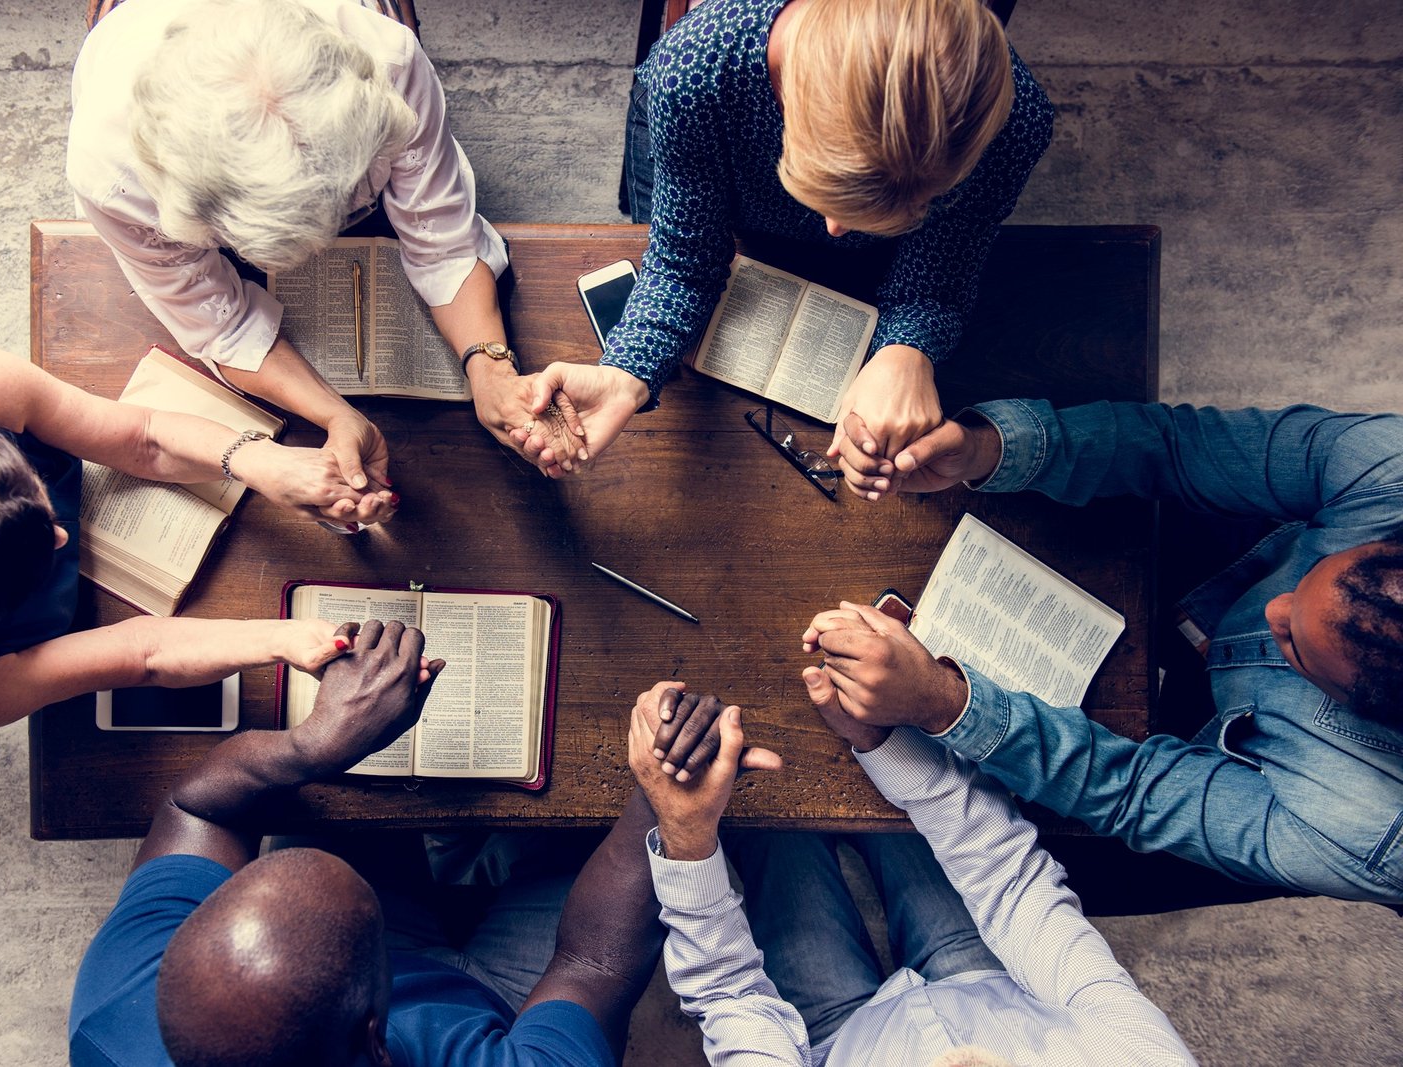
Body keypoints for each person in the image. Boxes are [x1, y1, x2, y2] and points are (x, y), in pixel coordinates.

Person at [805, 398, 1403, 904]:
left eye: (1295, 645)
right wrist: (990, 448)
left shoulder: (1364, 832)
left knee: (1054, 867)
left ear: (1359, 707)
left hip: (1256, 784)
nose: (1274, 609)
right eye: (1309, 576)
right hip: (1234, 561)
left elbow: (1133, 792)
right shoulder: (1390, 473)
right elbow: (1178, 446)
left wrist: (944, 704)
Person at [70, 619, 666, 1066]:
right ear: (378, 1039)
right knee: (588, 830)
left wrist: (314, 746)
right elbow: (592, 964)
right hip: (511, 1003)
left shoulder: (120, 1017)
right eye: (375, 932)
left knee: (337, 806)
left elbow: (194, 808)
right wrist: (666, 791)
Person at [512, 0, 1053, 484]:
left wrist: (906, 351)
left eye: (912, 204)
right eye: (826, 191)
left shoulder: (1017, 122)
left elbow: (944, 263)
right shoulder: (695, 70)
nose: (837, 232)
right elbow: (684, 258)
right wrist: (625, 373)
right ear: (788, 96)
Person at [69, 0, 569, 492]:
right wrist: (337, 415)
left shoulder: (388, 55)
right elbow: (223, 325)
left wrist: (491, 371)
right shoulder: (110, 175)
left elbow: (443, 241)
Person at [0, 344, 380, 731]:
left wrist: (259, 461)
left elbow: (143, 436)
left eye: (29, 491)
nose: (59, 534)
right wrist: (289, 639)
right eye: (28, 563)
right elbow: (142, 655)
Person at [630, 678, 1197, 1065]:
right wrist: (882, 740)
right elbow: (1013, 885)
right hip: (987, 981)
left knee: (771, 821)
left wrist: (688, 833)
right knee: (903, 803)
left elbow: (730, 994)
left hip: (835, 1039)